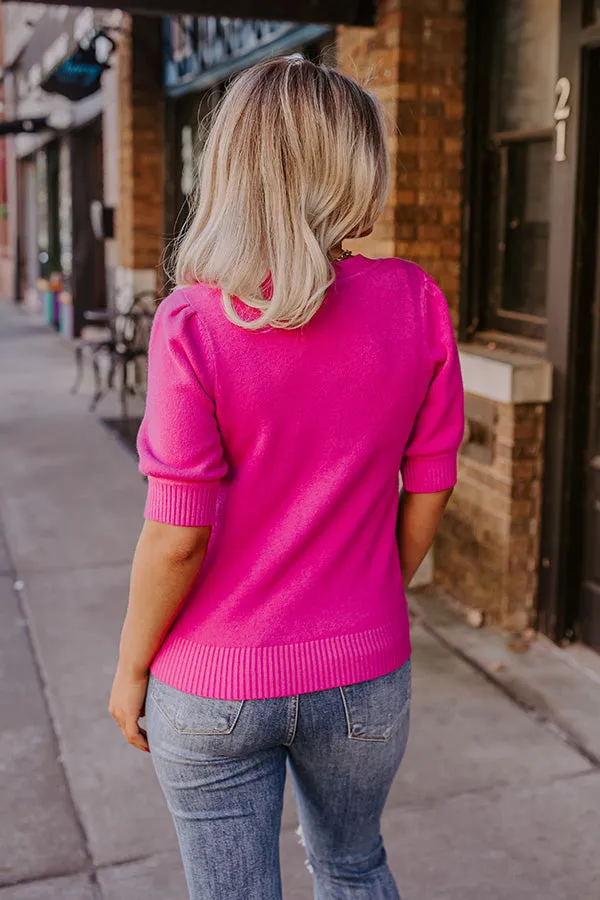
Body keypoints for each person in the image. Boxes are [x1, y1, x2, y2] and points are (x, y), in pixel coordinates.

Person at [109, 56, 464, 900]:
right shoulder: (417, 302)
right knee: (352, 865)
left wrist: (131, 667)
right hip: (366, 675)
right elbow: (431, 490)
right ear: (356, 165)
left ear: (235, 163)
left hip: (214, 678)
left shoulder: (194, 321)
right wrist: (374, 590)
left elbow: (176, 535)